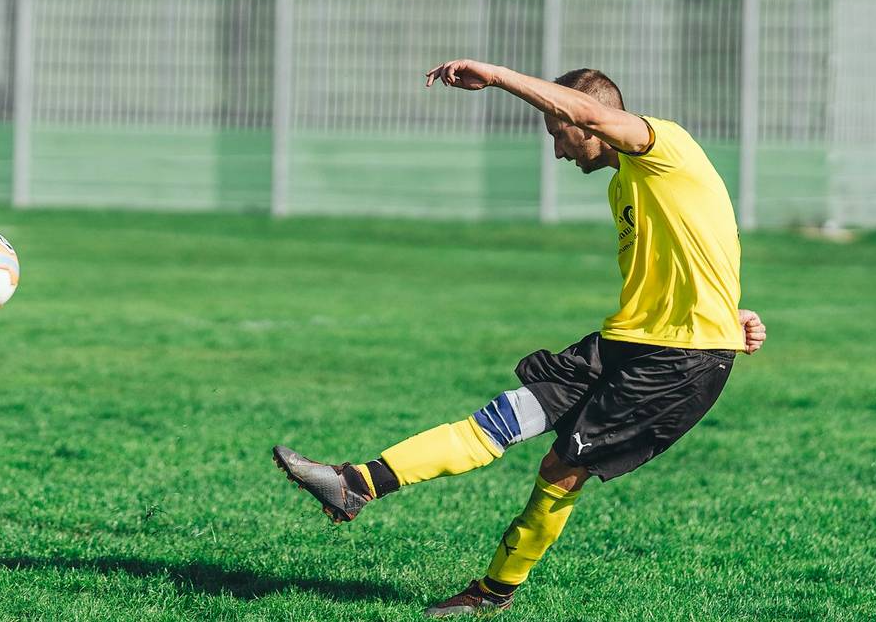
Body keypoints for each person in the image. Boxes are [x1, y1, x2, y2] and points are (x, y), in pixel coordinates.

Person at [273, 60, 767, 617]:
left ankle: (493, 593)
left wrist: (496, 76)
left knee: (560, 471)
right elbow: (700, 244)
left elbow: (588, 111)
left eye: (559, 133)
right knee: (504, 416)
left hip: (678, 362)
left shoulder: (664, 146)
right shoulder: (626, 185)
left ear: (589, 120)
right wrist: (727, 310)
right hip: (630, 341)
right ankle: (355, 484)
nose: (558, 151)